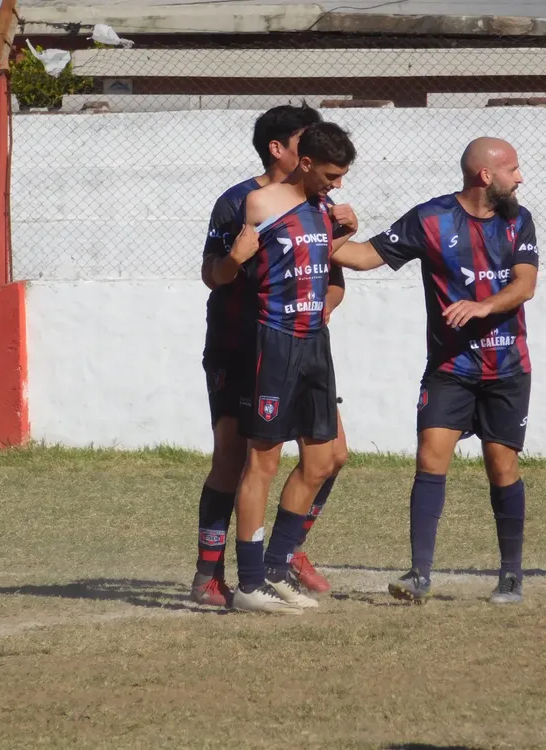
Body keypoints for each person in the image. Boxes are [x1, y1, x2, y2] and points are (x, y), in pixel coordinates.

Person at [330, 137, 538, 605]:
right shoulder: (431, 218)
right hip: (450, 367)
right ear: (486, 176)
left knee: (501, 466)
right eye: (513, 169)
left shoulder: (518, 220)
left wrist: (481, 307)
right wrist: (327, 231)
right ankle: (419, 574)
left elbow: (525, 286)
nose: (519, 178)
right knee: (429, 457)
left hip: (507, 367)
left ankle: (510, 575)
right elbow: (362, 257)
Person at [193, 106, 350, 607]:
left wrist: (312, 313)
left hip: (300, 346)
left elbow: (332, 281)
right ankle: (211, 574)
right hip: (242, 347)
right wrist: (239, 264)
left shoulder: (320, 204)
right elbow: (215, 272)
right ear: (283, 151)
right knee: (235, 460)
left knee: (332, 455)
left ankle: (285, 552)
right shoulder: (242, 202)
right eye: (306, 142)